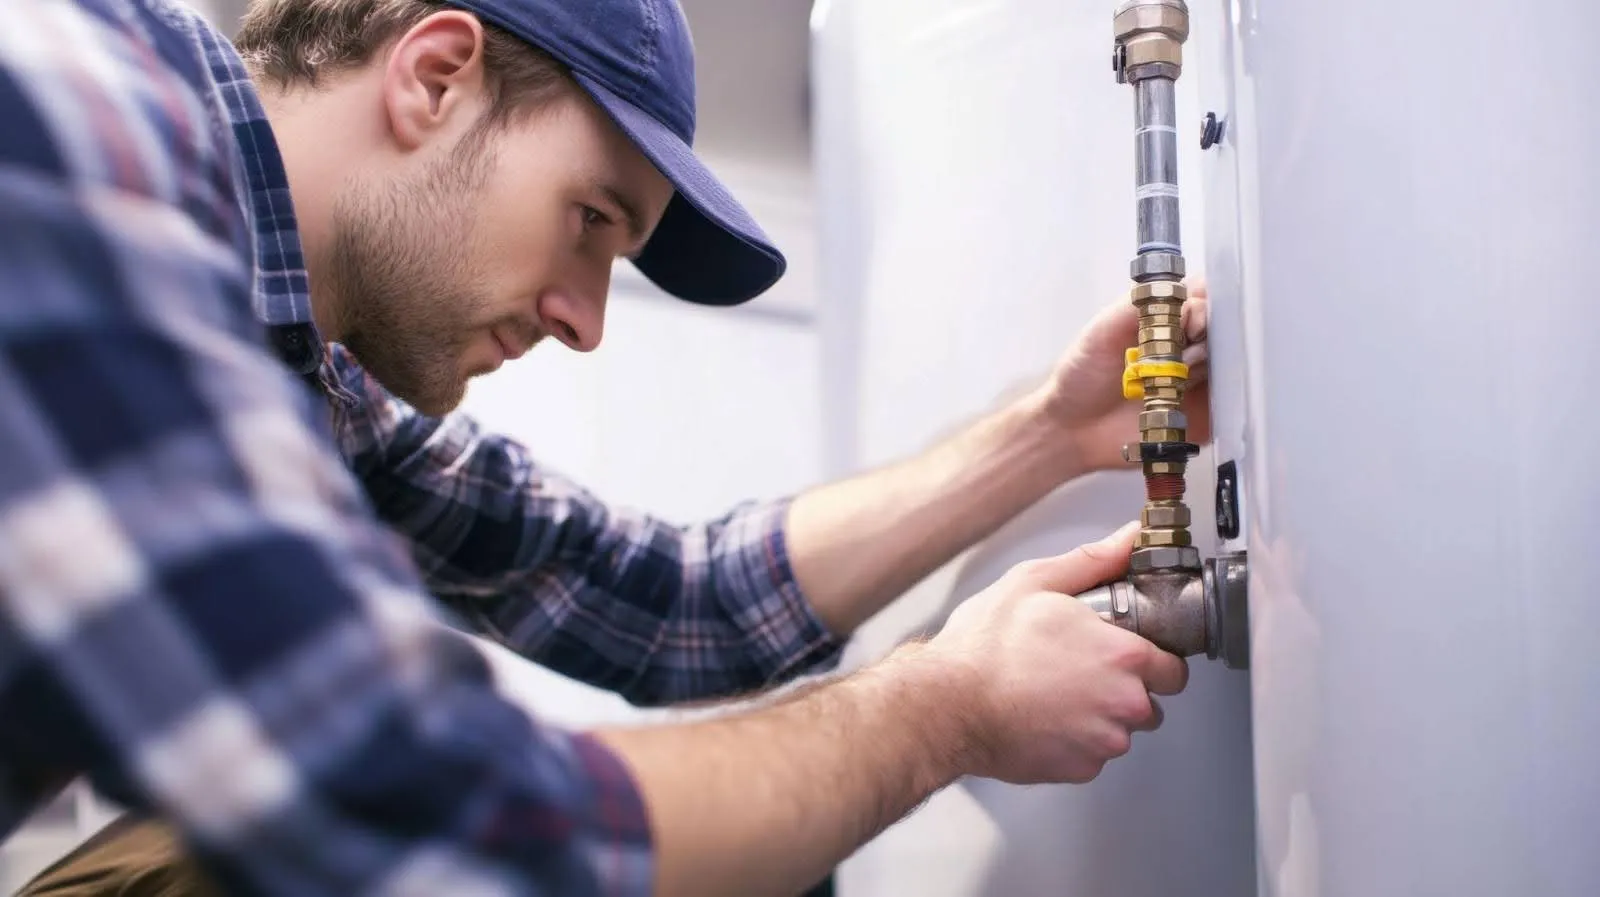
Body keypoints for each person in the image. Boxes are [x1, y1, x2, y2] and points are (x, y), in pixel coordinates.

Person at [0, 0, 1213, 895]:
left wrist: (1050, 436)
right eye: (590, 218)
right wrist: (945, 711)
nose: (583, 319)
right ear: (434, 75)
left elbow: (678, 604)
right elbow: (422, 817)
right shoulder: (64, 126)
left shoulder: (304, 377)